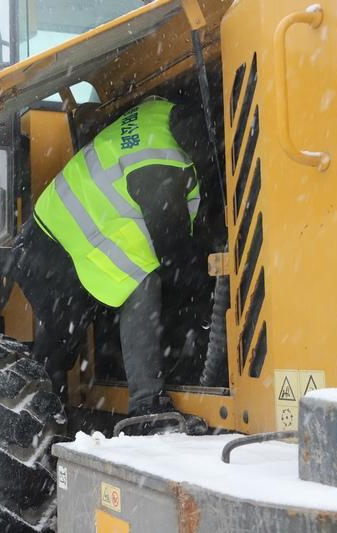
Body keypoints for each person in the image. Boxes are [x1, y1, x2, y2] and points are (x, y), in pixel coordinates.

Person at [13, 96, 211, 423]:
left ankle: (44, 405)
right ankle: (146, 405)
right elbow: (174, 253)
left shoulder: (155, 112)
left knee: (63, 337)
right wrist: (201, 301)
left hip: (46, 239)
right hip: (51, 249)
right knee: (138, 282)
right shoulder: (159, 168)